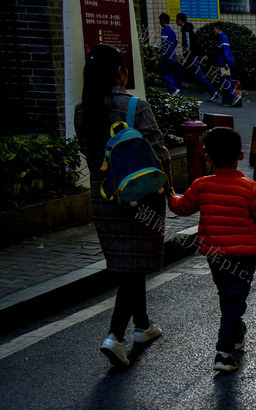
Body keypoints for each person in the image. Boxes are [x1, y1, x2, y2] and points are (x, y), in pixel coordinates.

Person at [168, 127, 256, 372]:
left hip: (215, 257)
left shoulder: (201, 186)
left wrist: (169, 195)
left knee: (228, 298)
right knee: (234, 302)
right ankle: (223, 353)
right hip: (243, 258)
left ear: (208, 157)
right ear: (240, 155)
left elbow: (182, 208)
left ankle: (236, 335)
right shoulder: (250, 189)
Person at [74, 44, 170, 368]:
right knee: (134, 264)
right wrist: (168, 189)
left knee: (129, 263)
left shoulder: (82, 111)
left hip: (105, 201)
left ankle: (143, 325)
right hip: (140, 200)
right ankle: (115, 335)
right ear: (119, 72)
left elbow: (92, 156)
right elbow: (161, 156)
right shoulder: (136, 106)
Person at [176, 13, 219, 101]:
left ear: (181, 20)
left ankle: (213, 92)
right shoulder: (188, 29)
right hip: (193, 56)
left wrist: (186, 58)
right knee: (183, 71)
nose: (176, 21)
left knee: (198, 75)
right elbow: (196, 43)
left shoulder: (186, 30)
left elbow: (188, 45)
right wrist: (202, 54)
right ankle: (176, 90)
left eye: (177, 19)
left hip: (191, 57)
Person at [212, 23, 239, 106]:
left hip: (225, 64)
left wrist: (226, 62)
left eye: (214, 29)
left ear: (218, 28)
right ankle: (227, 100)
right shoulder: (222, 38)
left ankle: (234, 96)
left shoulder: (223, 38)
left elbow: (226, 50)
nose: (213, 31)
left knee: (224, 81)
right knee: (226, 80)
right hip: (224, 63)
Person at [158, 13, 181, 94]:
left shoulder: (164, 30)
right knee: (170, 74)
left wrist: (159, 50)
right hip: (173, 55)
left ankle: (174, 89)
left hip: (166, 56)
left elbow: (164, 44)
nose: (160, 22)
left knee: (162, 74)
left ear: (163, 21)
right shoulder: (172, 32)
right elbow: (175, 42)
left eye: (160, 21)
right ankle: (172, 92)